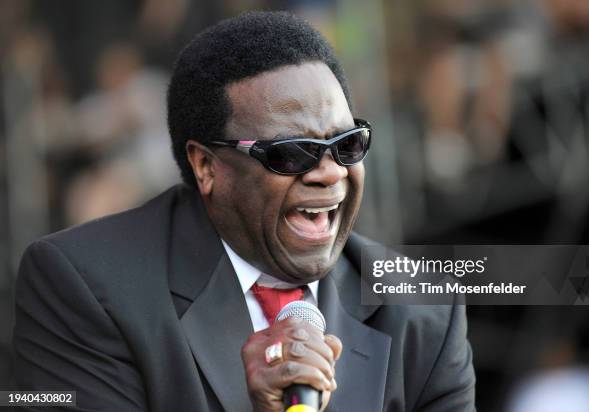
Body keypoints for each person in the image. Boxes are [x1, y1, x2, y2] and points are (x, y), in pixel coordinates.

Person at [13, 11, 475, 411]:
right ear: (206, 166)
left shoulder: (423, 308)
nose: (331, 173)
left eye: (347, 144)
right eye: (293, 152)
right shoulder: (85, 286)